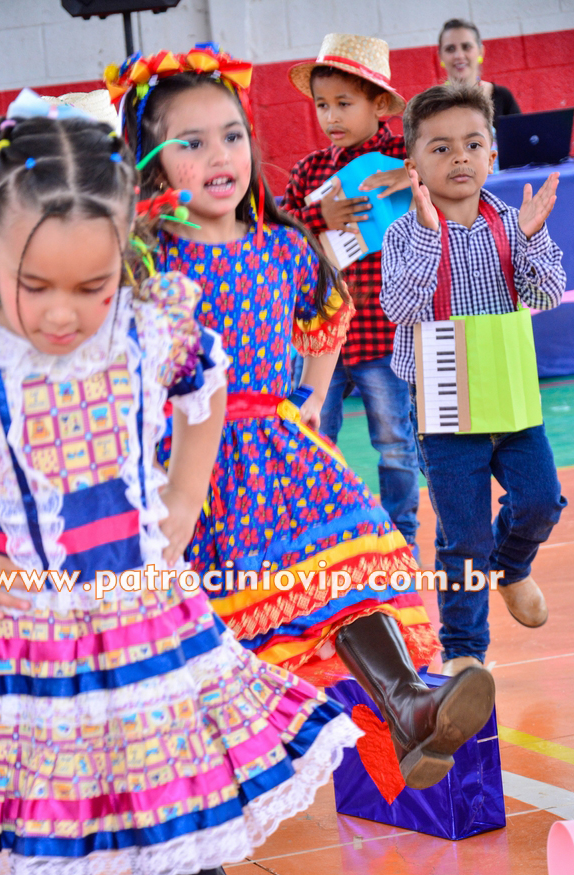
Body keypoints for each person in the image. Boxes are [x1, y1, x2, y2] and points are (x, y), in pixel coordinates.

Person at [0, 89, 366, 875]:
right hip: (25, 658)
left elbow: (205, 391)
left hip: (146, 638)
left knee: (182, 859)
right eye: (36, 285)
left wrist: (183, 501)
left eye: (92, 285)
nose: (63, 314)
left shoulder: (151, 324)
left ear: (124, 249)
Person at [110, 45, 496, 800]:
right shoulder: (144, 260)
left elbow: (327, 313)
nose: (220, 156)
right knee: (205, 634)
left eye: (232, 135)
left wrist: (313, 397)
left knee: (353, 564)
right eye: (191, 143)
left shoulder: (283, 244)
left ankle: (409, 706)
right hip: (185, 463)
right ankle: (187, 804)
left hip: (278, 445)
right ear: (149, 166)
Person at [380, 82, 566, 675]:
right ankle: (465, 652)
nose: (459, 157)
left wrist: (532, 238)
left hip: (510, 397)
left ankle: (509, 567)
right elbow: (400, 308)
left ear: (492, 153)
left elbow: (546, 293)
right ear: (413, 163)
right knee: (462, 537)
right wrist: (428, 239)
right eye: (440, 148)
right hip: (443, 405)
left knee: (541, 501)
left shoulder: (512, 223)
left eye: (472, 144)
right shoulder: (402, 234)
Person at [282, 34, 419, 549]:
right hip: (319, 336)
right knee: (312, 437)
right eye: (322, 105)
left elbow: (460, 169)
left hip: (384, 332)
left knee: (395, 443)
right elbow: (279, 236)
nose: (331, 116)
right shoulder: (309, 171)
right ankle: (316, 539)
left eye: (344, 103)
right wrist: (317, 214)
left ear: (379, 104)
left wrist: (408, 173)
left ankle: (401, 539)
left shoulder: (408, 154)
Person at [438, 18, 520, 123]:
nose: (459, 55)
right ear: (440, 57)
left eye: (466, 47)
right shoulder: (430, 104)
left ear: (481, 52)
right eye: (450, 49)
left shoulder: (503, 97)